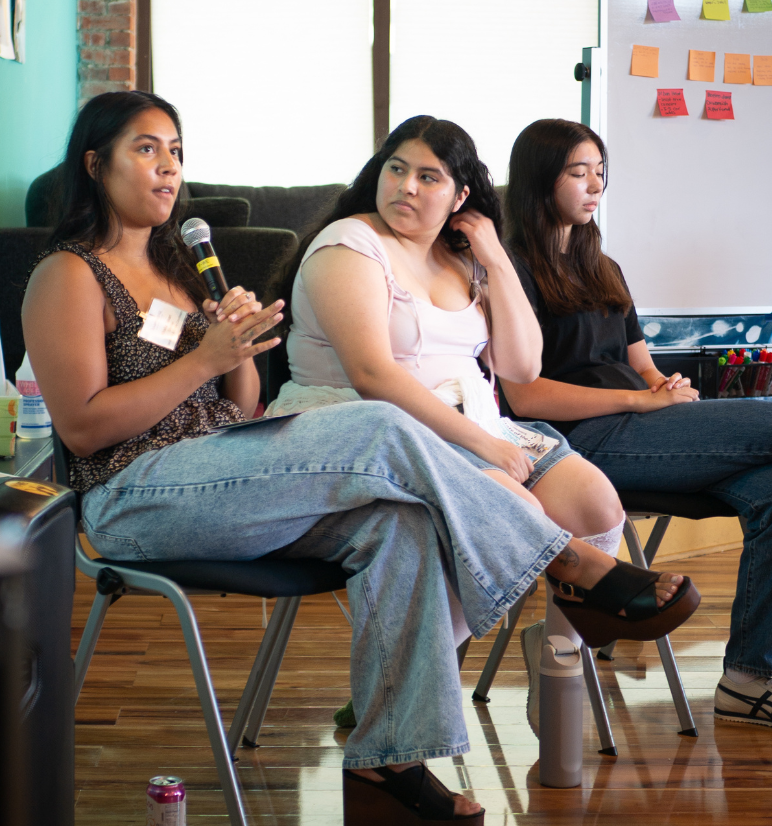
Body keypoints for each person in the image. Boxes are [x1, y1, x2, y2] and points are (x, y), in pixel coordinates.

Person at [21, 91, 670, 824]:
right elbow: (79, 430)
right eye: (146, 149)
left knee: (408, 525)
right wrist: (203, 360)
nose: (168, 167)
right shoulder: (67, 275)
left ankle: (385, 762)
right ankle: (566, 564)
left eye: (176, 150)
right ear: (93, 162)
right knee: (378, 422)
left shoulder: (176, 268)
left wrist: (233, 348)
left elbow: (238, 407)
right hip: (135, 497)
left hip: (222, 469)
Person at [271, 115, 697, 733]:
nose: (407, 188)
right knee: (504, 501)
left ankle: (556, 657)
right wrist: (482, 447)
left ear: (460, 196)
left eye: (429, 177)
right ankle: (565, 586)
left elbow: (522, 364)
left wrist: (495, 255)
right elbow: (372, 374)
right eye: (397, 169)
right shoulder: (350, 243)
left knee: (596, 502)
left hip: (474, 419)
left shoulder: (462, 256)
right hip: (366, 426)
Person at [500, 117, 772, 726]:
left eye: (601, 172)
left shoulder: (604, 265)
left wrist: (662, 387)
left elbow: (640, 366)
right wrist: (639, 402)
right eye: (579, 172)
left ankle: (749, 679)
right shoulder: (512, 270)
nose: (595, 185)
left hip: (642, 429)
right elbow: (525, 398)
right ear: (541, 179)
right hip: (577, 447)